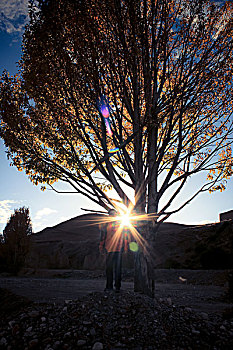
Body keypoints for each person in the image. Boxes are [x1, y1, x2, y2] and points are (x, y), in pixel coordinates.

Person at [99, 209, 129, 292]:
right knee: (109, 269)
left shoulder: (121, 225)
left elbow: (125, 237)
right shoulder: (106, 225)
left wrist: (125, 247)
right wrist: (101, 247)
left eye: (114, 214)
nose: (112, 215)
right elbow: (103, 237)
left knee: (118, 269)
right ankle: (109, 287)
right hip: (109, 249)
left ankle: (117, 287)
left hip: (118, 250)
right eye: (111, 214)